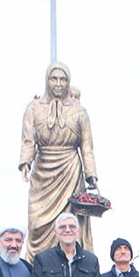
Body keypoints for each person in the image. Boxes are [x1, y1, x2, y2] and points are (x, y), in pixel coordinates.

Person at [20, 62, 98, 258]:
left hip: (70, 171)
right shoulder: (33, 108)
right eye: (54, 79)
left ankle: (73, 264)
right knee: (36, 224)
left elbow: (87, 146)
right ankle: (37, 265)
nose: (58, 84)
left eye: (63, 79)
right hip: (42, 172)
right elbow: (28, 139)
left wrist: (91, 174)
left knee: (70, 224)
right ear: (47, 81)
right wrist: (25, 162)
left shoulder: (80, 112)